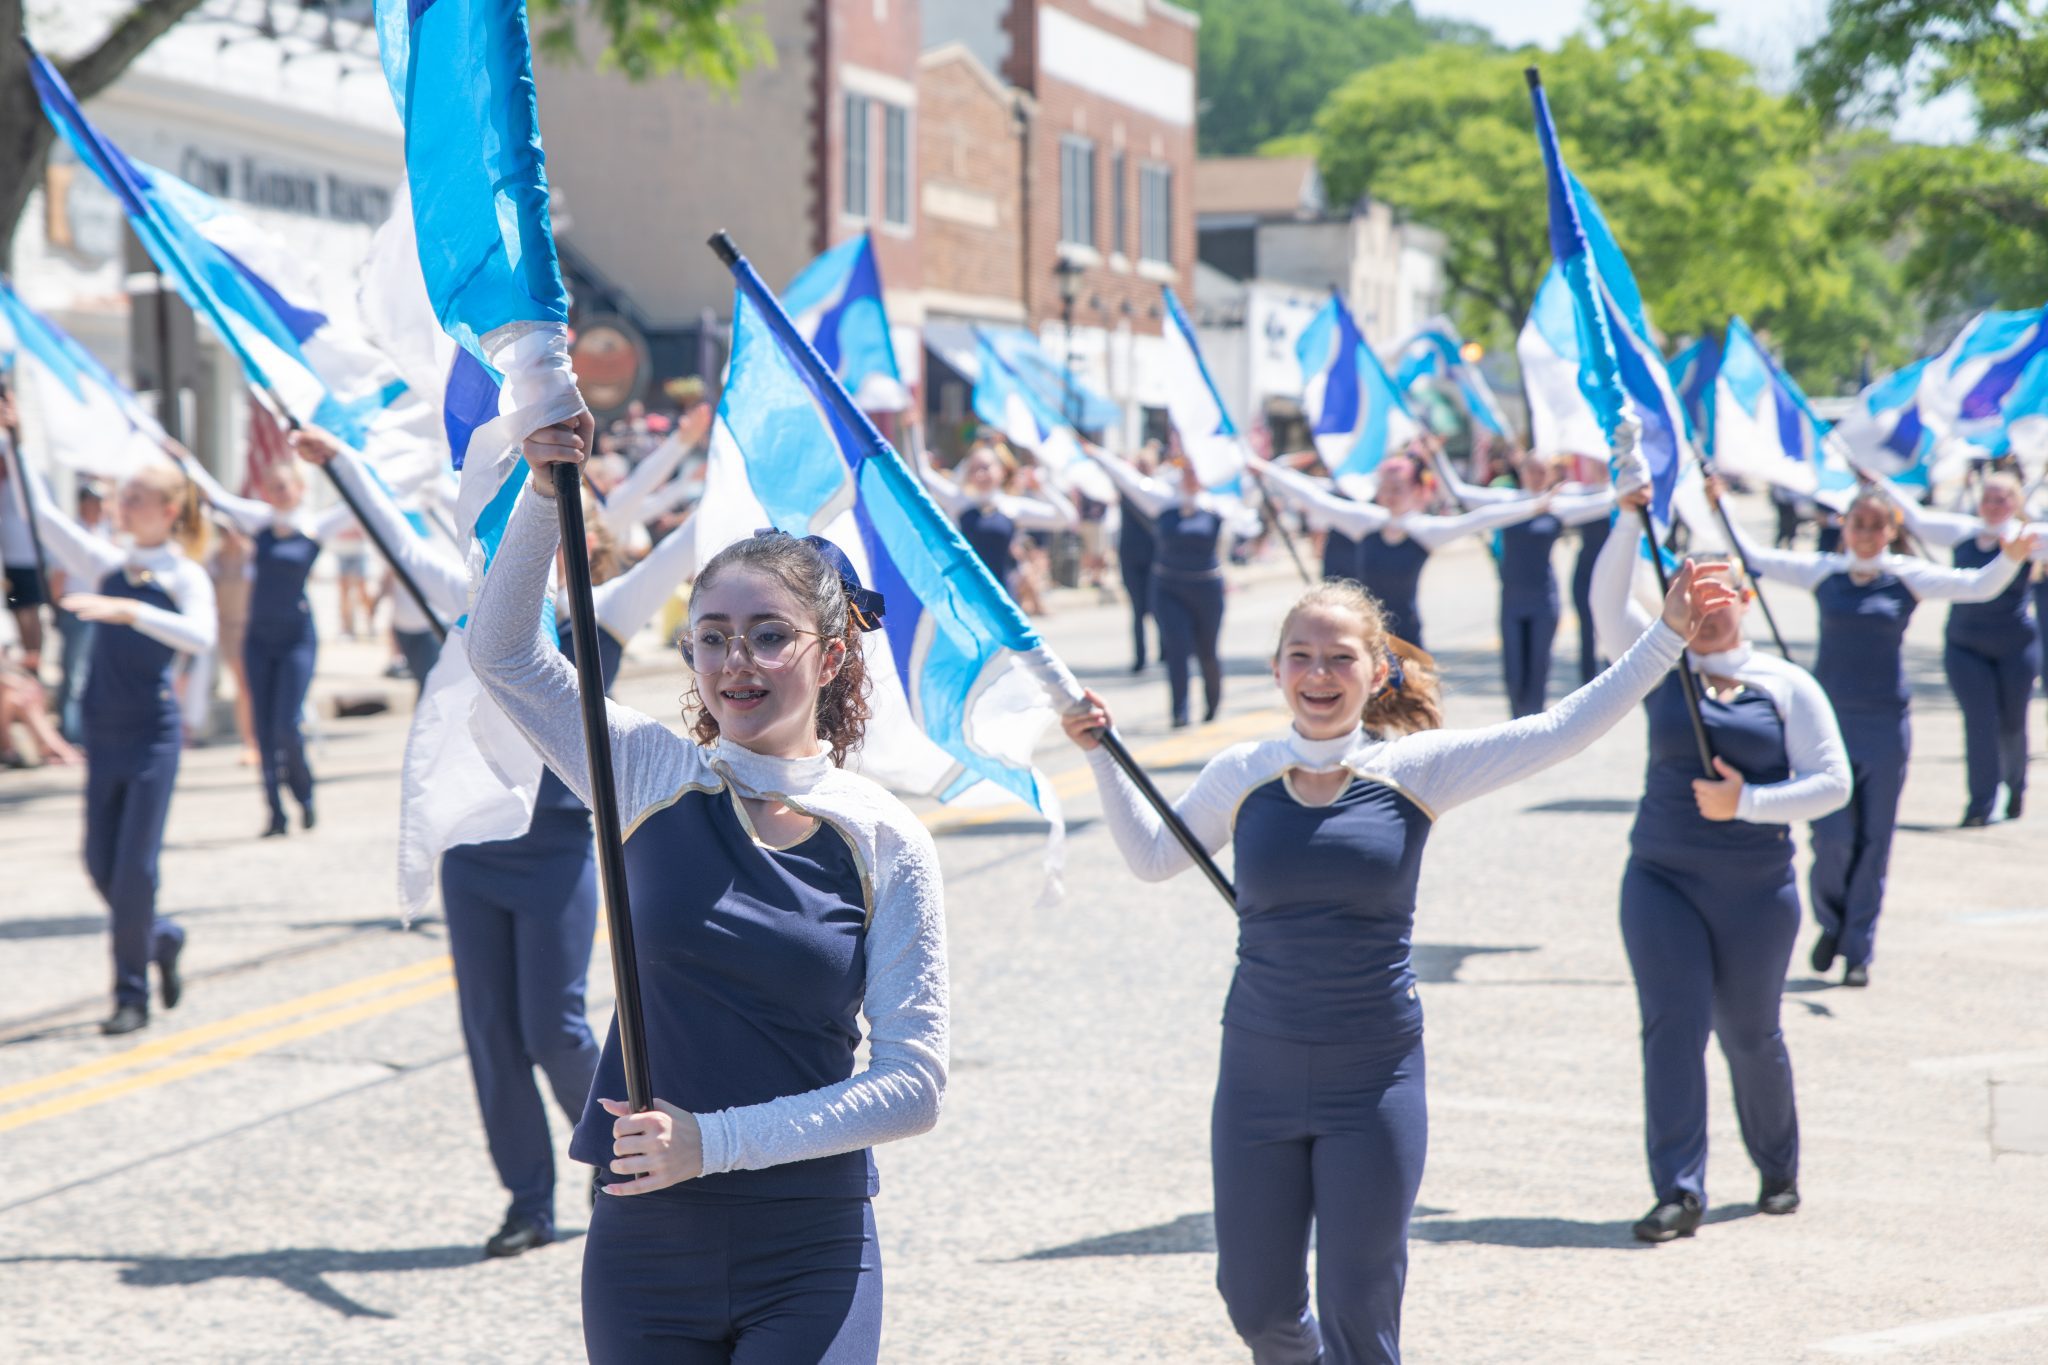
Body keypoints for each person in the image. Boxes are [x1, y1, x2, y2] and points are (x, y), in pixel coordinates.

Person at [1061, 552, 1735, 1364]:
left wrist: (1665, 635)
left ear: (1377, 669)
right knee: (1257, 1305)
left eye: (1340, 656)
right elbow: (1151, 856)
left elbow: (1562, 730)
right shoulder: (1243, 772)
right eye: (1302, 656)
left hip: (1372, 1082)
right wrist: (1101, 754)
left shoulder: (1413, 770)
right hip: (1256, 1077)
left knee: (1361, 1305)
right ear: (1276, 670)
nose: (1320, 672)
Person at [469, 414, 947, 1362]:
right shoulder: (650, 774)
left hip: (810, 1244)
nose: (738, 662)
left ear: (832, 653)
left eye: (771, 636)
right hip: (647, 1241)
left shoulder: (885, 833)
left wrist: (712, 1141)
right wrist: (538, 488)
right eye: (713, 637)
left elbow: (915, 1083)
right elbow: (506, 655)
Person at [295, 425, 694, 1259]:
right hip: (473, 853)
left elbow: (689, 539)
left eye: (551, 517)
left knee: (554, 1029)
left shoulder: (603, 611)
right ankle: (527, 1202)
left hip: (555, 853)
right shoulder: (473, 594)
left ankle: (618, 1154)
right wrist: (339, 462)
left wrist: (735, 464)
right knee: (489, 1031)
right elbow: (397, 532)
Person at [1592, 471, 1852, 1243]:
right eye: (1687, 594)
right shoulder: (1657, 662)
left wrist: (1749, 804)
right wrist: (1621, 517)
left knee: (1749, 1032)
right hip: (1662, 878)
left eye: (1717, 594)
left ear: (1742, 598)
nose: (1703, 609)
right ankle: (1679, 1188)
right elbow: (1607, 603)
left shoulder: (1786, 683)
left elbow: (1833, 783)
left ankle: (1778, 1166)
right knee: (1672, 1025)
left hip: (1754, 887)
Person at [1714, 481, 2035, 984]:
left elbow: (1976, 586)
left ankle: (1859, 947)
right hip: (1827, 725)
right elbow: (1752, 556)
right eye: (1856, 524)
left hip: (1886, 724)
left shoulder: (1904, 578)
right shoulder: (1824, 573)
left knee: (1874, 839)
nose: (1865, 534)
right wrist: (1719, 502)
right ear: (1843, 527)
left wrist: (2012, 558)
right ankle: (1832, 920)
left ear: (1892, 530)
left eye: (1875, 525)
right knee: (1832, 837)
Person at [26, 457, 216, 1035]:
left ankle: (130, 995)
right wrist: (12, 441)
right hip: (103, 731)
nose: (123, 507)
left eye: (136, 498)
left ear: (168, 511)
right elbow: (44, 517)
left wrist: (130, 611)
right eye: (122, 497)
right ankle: (161, 936)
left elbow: (202, 637)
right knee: (99, 863)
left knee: (135, 869)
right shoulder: (108, 562)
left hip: (152, 733)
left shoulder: (184, 576)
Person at [183, 458, 358, 836]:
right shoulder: (260, 522)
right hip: (258, 637)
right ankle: (275, 813)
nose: (279, 494)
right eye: (272, 487)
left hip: (296, 637)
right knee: (262, 729)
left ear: (300, 488)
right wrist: (181, 457)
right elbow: (216, 496)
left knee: (286, 725)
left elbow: (361, 503)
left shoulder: (313, 527)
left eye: (285, 486)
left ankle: (304, 794)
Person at [1872, 471, 2045, 824]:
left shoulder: (2030, 538)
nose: (1994, 506)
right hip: (1965, 645)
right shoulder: (1963, 532)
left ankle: (2014, 790)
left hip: (2015, 647)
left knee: (2012, 724)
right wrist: (1878, 481)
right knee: (1979, 722)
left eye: (2002, 499)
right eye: (1988, 498)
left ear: (2017, 504)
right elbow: (1917, 520)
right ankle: (1981, 803)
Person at [1254, 453, 1550, 650]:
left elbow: (1480, 519)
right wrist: (1264, 468)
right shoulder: (1366, 522)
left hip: (1406, 637)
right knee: (1369, 724)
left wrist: (1534, 506)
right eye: (1386, 487)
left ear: (1415, 491)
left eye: (1398, 488)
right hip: (1365, 636)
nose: (1391, 494)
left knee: (1413, 727)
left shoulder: (1424, 530)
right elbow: (1316, 499)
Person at [1093, 447, 1259, 728]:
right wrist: (1095, 452)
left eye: (1197, 472)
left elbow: (1250, 522)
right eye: (1187, 471)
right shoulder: (1163, 502)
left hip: (1206, 589)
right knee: (1176, 649)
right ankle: (1179, 711)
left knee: (1207, 652)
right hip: (1168, 586)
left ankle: (1212, 703)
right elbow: (1128, 480)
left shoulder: (1218, 505)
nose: (1192, 476)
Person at [1450, 454, 1615, 717]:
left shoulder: (1559, 507)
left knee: (1538, 674)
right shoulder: (1507, 502)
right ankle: (1517, 727)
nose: (1536, 476)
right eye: (1531, 471)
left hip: (1543, 600)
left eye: (1542, 471)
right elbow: (1459, 492)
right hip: (1512, 599)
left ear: (1550, 474)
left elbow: (1608, 501)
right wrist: (1433, 455)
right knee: (1514, 676)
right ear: (1522, 472)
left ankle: (1534, 733)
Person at [913, 435, 1076, 614]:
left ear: (1001, 470)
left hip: (1003, 598)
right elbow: (923, 474)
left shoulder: (1012, 507)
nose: (980, 474)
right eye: (974, 469)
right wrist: (915, 429)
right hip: (967, 597)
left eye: (986, 467)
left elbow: (1066, 517)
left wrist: (1041, 487)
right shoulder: (960, 502)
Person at [1, 409, 48, 674]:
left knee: (27, 608)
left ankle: (34, 664)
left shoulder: (20, 462)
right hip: (14, 550)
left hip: (22, 551)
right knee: (22, 608)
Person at [1118, 441, 1160, 672]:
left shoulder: (1159, 492)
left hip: (1155, 554)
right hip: (1131, 554)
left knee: (1157, 605)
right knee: (1137, 608)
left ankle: (1165, 650)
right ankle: (1140, 657)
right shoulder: (1128, 489)